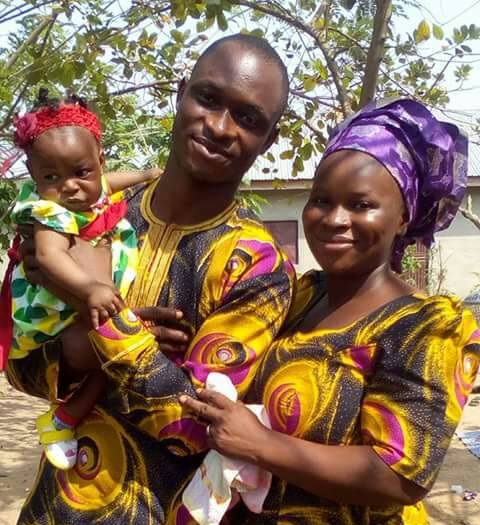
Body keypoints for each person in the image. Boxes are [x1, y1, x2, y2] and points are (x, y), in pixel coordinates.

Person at [5, 34, 295, 524]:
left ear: (270, 138)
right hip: (53, 509)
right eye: (208, 98)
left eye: (248, 119)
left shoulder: (256, 265)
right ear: (180, 94)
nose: (219, 126)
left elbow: (193, 429)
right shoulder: (84, 215)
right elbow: (19, 366)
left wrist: (110, 333)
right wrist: (79, 348)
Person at [180, 98, 480, 524]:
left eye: (361, 205)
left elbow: (399, 477)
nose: (335, 219)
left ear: (403, 217)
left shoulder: (427, 326)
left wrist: (261, 444)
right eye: (321, 200)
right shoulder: (299, 296)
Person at [1, 89, 160, 470]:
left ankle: (68, 417)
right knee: (109, 355)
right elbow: (50, 256)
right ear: (34, 176)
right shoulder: (48, 211)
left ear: (99, 161)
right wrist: (89, 289)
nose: (69, 186)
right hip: (55, 310)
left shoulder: (90, 188)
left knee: (111, 361)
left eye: (81, 172)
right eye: (51, 176)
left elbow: (110, 183)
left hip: (82, 301)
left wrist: (147, 175)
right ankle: (64, 419)